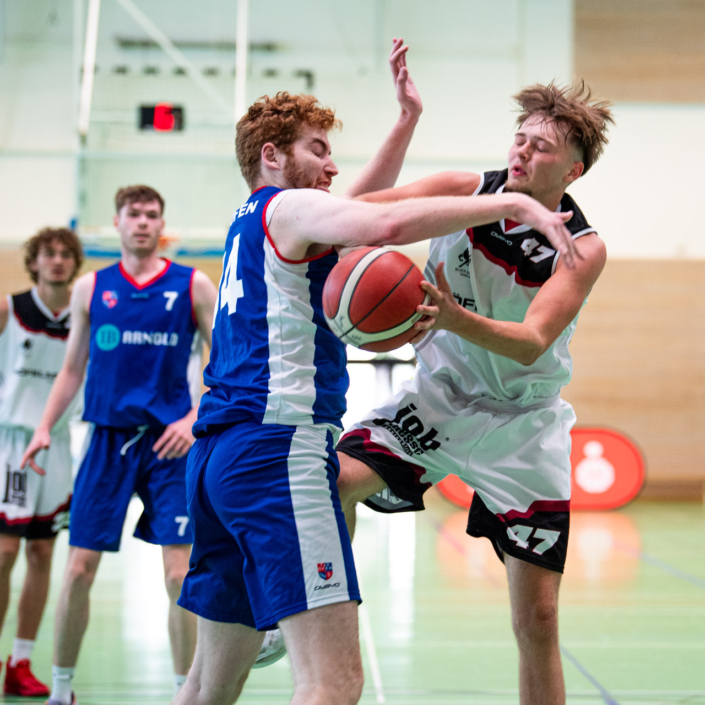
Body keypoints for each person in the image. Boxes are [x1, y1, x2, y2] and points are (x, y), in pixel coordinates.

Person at [173, 41, 581, 705]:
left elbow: (363, 208)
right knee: (333, 682)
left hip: (222, 453)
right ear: (271, 156)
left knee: (204, 686)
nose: (333, 166)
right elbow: (383, 219)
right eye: (318, 150)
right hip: (285, 445)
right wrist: (515, 206)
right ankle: (297, 600)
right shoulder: (290, 208)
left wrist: (405, 121)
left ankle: (282, 603)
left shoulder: (254, 221)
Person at [335, 82, 613, 705]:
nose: (522, 152)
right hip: (439, 398)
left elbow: (532, 341)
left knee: (537, 619)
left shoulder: (583, 248)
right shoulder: (465, 189)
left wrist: (453, 318)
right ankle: (312, 611)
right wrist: (405, 120)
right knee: (334, 483)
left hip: (524, 425)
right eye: (520, 139)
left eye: (541, 147)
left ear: (572, 171)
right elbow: (358, 211)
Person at [21, 185, 218, 705]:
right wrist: (43, 426)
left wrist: (194, 418)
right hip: (107, 442)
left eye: (152, 215)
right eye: (134, 214)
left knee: (178, 575)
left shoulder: (193, 284)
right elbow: (72, 369)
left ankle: (184, 693)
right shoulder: (91, 288)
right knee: (78, 571)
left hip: (170, 446)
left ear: (162, 225)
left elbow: (221, 361)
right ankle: (61, 690)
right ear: (117, 222)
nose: (143, 222)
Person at [0, 228, 83, 697]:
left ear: (75, 264)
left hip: (57, 444)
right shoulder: (8, 309)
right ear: (33, 262)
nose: (57, 261)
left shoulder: (84, 314)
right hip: (10, 443)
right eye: (49, 254)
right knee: (4, 552)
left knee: (41, 553)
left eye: (66, 254)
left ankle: (21, 661)